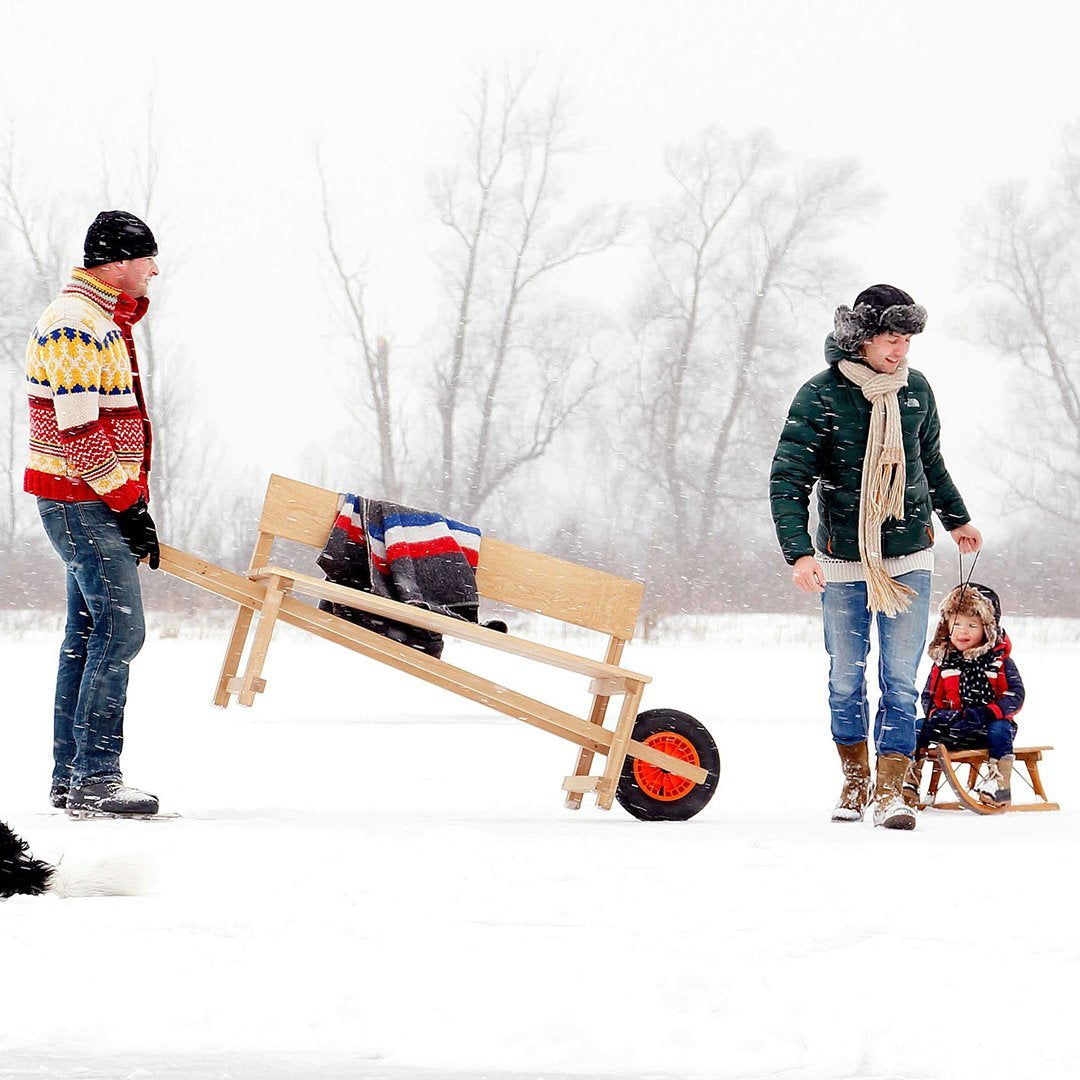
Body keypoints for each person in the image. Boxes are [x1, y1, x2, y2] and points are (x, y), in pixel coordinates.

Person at [769, 284, 982, 830]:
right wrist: (798, 553)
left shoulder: (916, 391)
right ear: (861, 338)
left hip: (909, 553)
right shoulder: (820, 395)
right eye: (892, 338)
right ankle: (856, 779)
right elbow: (789, 478)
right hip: (843, 558)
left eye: (908, 339)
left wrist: (956, 518)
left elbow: (928, 460)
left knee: (901, 680)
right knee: (845, 676)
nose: (901, 351)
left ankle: (892, 790)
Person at [25, 210, 162, 817]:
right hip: (82, 502)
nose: (155, 270)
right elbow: (79, 429)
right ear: (117, 260)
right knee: (119, 631)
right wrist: (128, 505)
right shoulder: (78, 325)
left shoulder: (99, 320)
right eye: (147, 258)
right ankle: (96, 778)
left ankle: (71, 775)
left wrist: (131, 507)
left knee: (87, 637)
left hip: (87, 500)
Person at [915, 582, 1025, 808]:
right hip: (953, 727)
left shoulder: (999, 662)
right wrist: (941, 716)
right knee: (918, 726)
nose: (962, 631)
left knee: (1000, 729)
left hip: (987, 727)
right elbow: (929, 696)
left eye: (972, 625)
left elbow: (1015, 695)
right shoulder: (944, 663)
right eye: (956, 623)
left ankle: (999, 783)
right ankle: (909, 777)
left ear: (987, 629)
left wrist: (988, 712)